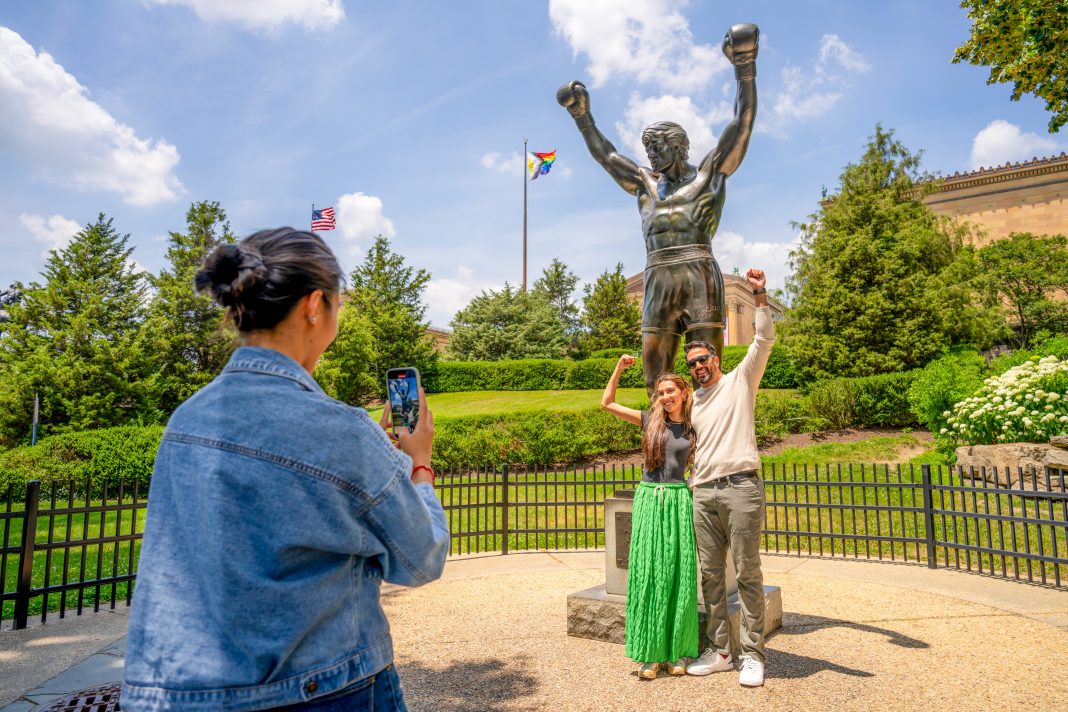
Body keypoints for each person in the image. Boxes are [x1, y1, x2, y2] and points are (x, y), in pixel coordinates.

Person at [122, 228, 450, 711]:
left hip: (175, 692)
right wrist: (418, 464)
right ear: (315, 305)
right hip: (320, 689)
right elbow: (422, 558)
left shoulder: (186, 419)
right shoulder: (342, 430)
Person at [558, 23, 759, 395]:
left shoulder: (709, 176)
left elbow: (741, 123)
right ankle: (661, 451)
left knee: (709, 379)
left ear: (680, 147)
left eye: (658, 146)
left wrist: (744, 65)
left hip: (698, 276)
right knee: (657, 382)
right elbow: (607, 155)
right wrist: (582, 117)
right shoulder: (644, 183)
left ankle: (707, 449)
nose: (650, 153)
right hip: (657, 281)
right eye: (648, 147)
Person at [683, 267, 772, 687]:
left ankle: (752, 653)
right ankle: (720, 650)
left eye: (703, 360)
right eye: (692, 364)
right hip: (703, 493)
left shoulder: (740, 381)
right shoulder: (693, 403)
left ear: (715, 359)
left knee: (748, 571)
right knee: (711, 574)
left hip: (740, 488)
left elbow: (763, 340)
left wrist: (759, 296)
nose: (698, 367)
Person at [601, 355, 699, 680]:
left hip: (677, 500)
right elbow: (607, 404)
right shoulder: (649, 421)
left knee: (677, 575)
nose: (665, 396)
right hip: (648, 499)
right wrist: (619, 369)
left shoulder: (695, 426)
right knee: (647, 574)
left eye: (670, 390)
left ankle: (675, 651)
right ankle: (648, 654)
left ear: (684, 392)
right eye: (661, 392)